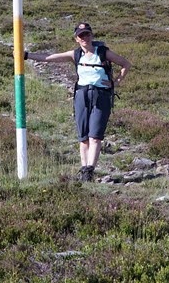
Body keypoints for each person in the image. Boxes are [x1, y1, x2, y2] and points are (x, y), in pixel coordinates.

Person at [25, 22, 131, 182]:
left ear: (92, 35)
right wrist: (26, 55)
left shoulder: (103, 52)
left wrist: (116, 82)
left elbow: (125, 64)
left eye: (87, 34)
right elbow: (49, 58)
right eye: (81, 35)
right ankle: (84, 169)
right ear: (76, 38)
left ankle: (89, 170)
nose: (85, 38)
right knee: (83, 137)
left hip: (101, 95)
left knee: (95, 135)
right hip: (81, 95)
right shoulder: (75, 54)